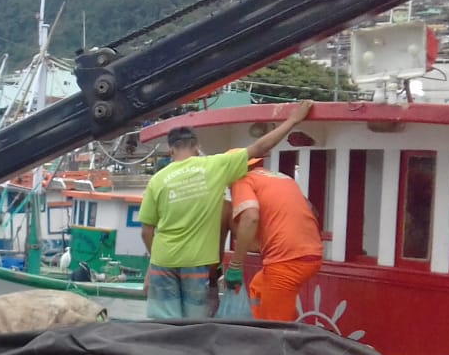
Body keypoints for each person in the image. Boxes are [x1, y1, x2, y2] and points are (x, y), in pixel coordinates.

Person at [139, 99, 315, 319]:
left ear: (171, 150)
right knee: (194, 325)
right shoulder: (215, 165)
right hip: (196, 263)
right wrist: (293, 120)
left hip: (163, 262)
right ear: (196, 147)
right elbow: (260, 147)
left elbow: (146, 232)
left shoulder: (157, 180)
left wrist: (155, 260)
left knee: (164, 323)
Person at [223, 158, 324, 320]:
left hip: (287, 260)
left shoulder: (243, 180)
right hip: (311, 253)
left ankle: (272, 328)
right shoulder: (283, 179)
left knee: (276, 324)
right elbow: (312, 211)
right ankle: (259, 323)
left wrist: (235, 265)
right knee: (258, 287)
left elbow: (251, 218)